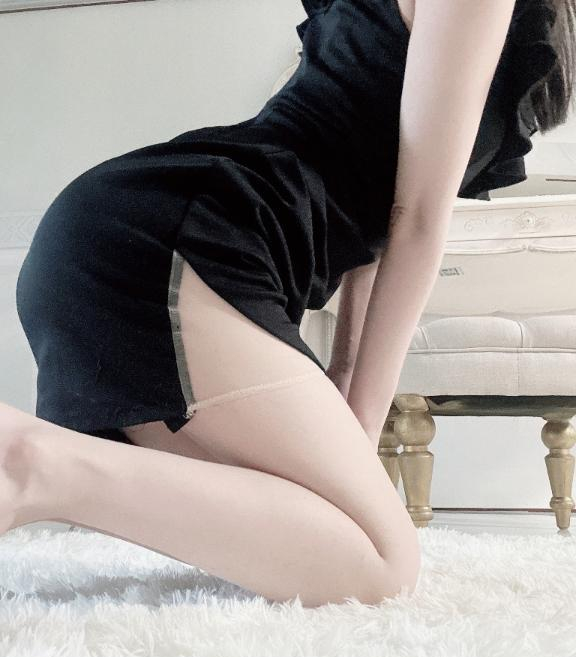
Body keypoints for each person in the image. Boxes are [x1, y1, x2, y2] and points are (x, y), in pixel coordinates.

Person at [2, 0, 572, 608]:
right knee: (383, 563)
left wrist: (346, 378)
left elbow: (381, 226)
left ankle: (39, 464)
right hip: (178, 244)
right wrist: (361, 427)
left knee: (309, 531)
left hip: (127, 238)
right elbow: (417, 222)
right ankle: (31, 461)